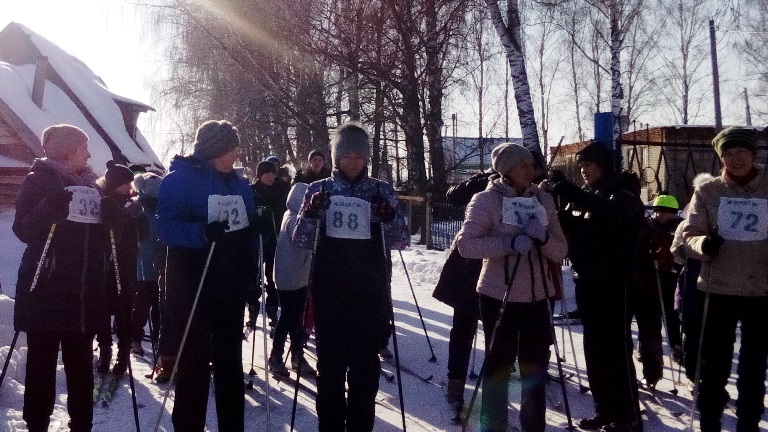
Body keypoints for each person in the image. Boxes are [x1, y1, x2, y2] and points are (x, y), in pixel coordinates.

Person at [293, 122, 409, 431]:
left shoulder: (381, 190)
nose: (353, 162)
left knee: (365, 369)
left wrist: (389, 217)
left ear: (367, 157)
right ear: (336, 158)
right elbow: (300, 239)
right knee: (330, 369)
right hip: (330, 290)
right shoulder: (319, 189)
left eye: (359, 156)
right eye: (347, 156)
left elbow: (401, 240)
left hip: (370, 290)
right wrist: (311, 214)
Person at [156, 119, 260, 432]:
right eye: (231, 148)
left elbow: (246, 226)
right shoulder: (180, 179)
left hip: (230, 283)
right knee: (194, 362)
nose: (236, 154)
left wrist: (256, 228)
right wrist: (201, 232)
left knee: (230, 364)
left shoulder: (240, 183)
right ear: (215, 149)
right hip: (192, 281)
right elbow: (165, 228)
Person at [456, 143, 567, 432]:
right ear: (506, 170)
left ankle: (534, 427)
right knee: (499, 367)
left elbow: (561, 250)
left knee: (535, 368)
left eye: (532, 164)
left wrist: (543, 238)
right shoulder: (486, 200)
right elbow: (466, 245)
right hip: (498, 294)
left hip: (538, 297)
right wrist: (508, 243)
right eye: (523, 165)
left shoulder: (543, 200)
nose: (531, 170)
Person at [544, 141, 644, 432]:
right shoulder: (590, 194)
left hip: (615, 282)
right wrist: (557, 206)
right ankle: (604, 409)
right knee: (595, 349)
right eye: (581, 166)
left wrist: (572, 192)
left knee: (616, 351)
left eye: (589, 164)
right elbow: (578, 228)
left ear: (604, 165)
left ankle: (628, 416)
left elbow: (616, 214)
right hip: (588, 279)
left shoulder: (623, 192)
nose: (584, 171)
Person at [13, 124, 108, 432]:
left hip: (83, 292)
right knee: (41, 366)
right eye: (84, 148)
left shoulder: (93, 187)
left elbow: (102, 238)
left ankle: (82, 424)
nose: (89, 155)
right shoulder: (37, 180)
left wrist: (116, 220)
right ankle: (37, 424)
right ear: (68, 152)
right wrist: (48, 208)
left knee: (81, 368)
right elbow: (22, 229)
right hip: (46, 289)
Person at [681, 127, 768, 432]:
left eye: (741, 152)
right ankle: (710, 422)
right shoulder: (708, 191)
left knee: (754, 367)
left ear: (753, 154)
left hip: (761, 289)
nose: (735, 159)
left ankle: (748, 424)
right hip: (718, 288)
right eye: (728, 154)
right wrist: (703, 244)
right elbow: (690, 234)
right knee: (714, 367)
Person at [432, 169, 498, 414]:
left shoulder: (524, 189)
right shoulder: (485, 186)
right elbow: (454, 196)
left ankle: (496, 384)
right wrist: (479, 179)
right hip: (470, 264)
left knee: (498, 330)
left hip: (502, 265)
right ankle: (456, 380)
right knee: (463, 325)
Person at [95, 160, 143, 376]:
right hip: (106, 264)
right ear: (116, 184)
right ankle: (105, 350)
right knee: (103, 310)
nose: (130, 187)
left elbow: (143, 232)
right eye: (126, 183)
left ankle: (123, 354)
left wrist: (137, 217)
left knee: (124, 310)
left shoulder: (131, 204)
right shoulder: (103, 202)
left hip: (126, 265)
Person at [269, 182, 316, 377]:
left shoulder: (299, 216)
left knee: (298, 317)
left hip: (300, 275)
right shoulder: (293, 217)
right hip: (288, 277)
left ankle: (297, 356)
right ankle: (276, 356)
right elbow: (302, 240)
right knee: (288, 316)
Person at [250, 159, 290, 326]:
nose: (271, 176)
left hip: (275, 237)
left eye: (273, 173)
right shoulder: (253, 191)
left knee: (272, 275)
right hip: (258, 239)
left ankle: (273, 308)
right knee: (254, 275)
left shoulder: (282, 189)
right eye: (267, 173)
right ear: (259, 175)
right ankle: (253, 308)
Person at [130, 172, 164, 357]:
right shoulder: (138, 210)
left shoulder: (163, 210)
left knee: (159, 307)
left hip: (159, 266)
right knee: (142, 306)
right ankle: (136, 339)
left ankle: (158, 338)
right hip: (142, 266)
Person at [648, 193, 684, 361]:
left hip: (672, 276)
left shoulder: (680, 227)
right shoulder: (650, 225)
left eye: (662, 211)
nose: (658, 214)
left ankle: (676, 345)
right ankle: (647, 347)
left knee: (670, 314)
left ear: (672, 212)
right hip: (653, 276)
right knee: (651, 314)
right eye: (656, 211)